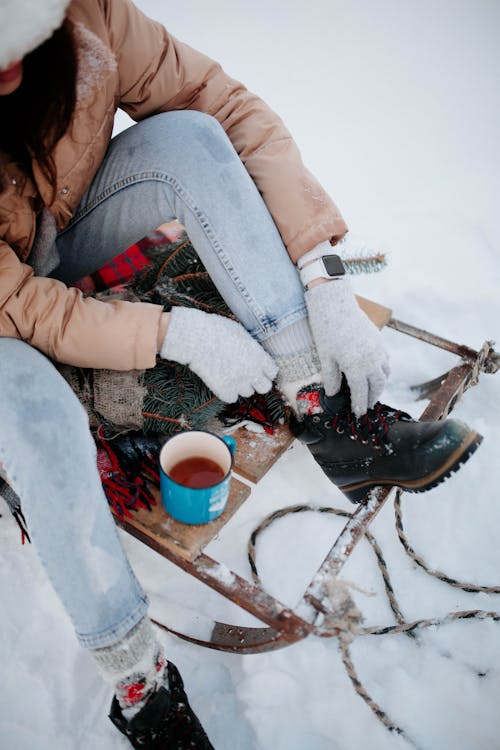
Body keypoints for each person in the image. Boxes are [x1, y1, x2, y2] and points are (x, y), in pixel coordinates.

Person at [0, 0, 482, 747]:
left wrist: (323, 277)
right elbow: (22, 306)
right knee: (34, 411)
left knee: (190, 136)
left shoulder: (87, 14)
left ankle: (321, 410)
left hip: (61, 228)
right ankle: (139, 680)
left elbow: (222, 103)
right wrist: (171, 331)